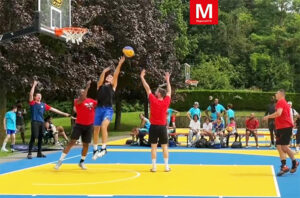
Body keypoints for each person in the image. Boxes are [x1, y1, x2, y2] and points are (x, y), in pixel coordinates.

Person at [55, 81, 97, 170]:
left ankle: (82, 162)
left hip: (89, 126)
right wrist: (87, 87)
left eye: (84, 92)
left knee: (86, 145)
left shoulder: (92, 101)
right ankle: (60, 161)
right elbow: (81, 99)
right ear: (79, 94)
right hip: (79, 125)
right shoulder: (77, 101)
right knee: (71, 143)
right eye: (81, 93)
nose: (83, 93)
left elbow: (100, 105)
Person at [93, 56, 126, 160]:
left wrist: (119, 64)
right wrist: (104, 71)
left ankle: (104, 148)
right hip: (98, 109)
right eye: (109, 77)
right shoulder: (100, 86)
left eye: (111, 77)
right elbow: (100, 80)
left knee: (103, 126)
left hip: (108, 109)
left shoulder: (113, 86)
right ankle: (95, 149)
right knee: (96, 130)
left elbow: (116, 74)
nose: (110, 77)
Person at [28, 80, 70, 159]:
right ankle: (29, 153)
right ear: (35, 97)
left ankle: (39, 153)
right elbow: (30, 94)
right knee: (34, 136)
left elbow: (54, 109)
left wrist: (64, 114)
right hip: (35, 122)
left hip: (41, 122)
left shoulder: (44, 105)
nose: (39, 96)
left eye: (40, 95)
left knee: (40, 137)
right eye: (38, 95)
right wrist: (34, 85)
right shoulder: (32, 103)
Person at [140, 69, 171, 172]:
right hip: (162, 127)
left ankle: (154, 167)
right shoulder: (166, 101)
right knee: (164, 147)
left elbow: (147, 88)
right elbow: (169, 91)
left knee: (153, 147)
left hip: (153, 127)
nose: (155, 92)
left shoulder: (153, 100)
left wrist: (142, 77)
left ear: (158, 94)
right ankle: (166, 167)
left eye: (156, 91)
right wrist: (167, 80)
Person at [263, 89, 299, 176]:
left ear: (281, 94)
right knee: (279, 147)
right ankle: (284, 165)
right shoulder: (281, 102)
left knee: (284, 147)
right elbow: (280, 114)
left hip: (285, 127)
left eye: (277, 93)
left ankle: (294, 162)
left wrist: (268, 116)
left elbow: (278, 113)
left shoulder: (281, 102)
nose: (275, 94)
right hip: (280, 127)